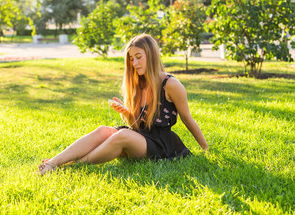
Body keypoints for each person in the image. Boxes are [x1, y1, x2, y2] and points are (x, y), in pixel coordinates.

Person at [38, 34, 208, 175]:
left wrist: (205, 148)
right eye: (131, 59)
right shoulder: (138, 84)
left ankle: (71, 167)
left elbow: (187, 119)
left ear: (151, 54)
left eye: (139, 57)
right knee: (103, 130)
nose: (134, 64)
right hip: (141, 138)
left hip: (161, 144)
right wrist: (126, 113)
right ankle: (54, 162)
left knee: (121, 136)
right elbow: (135, 125)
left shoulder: (170, 84)